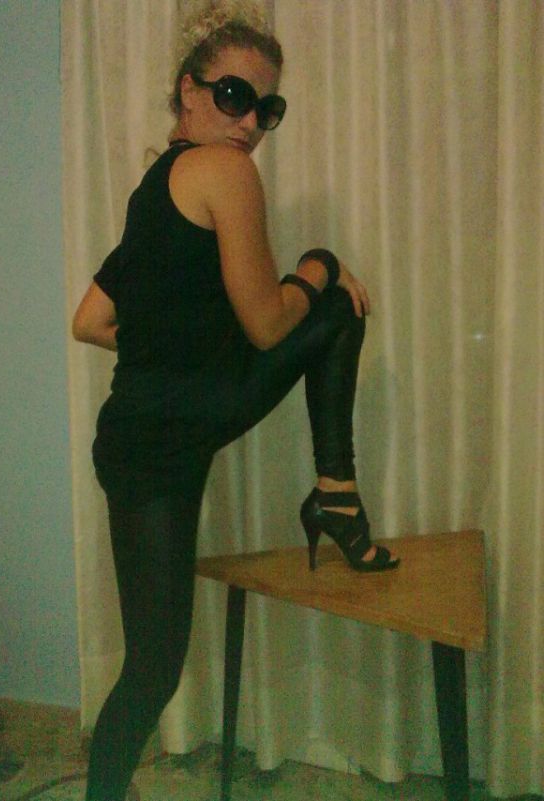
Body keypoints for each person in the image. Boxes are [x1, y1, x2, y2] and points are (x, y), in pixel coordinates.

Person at [72, 3, 399, 799]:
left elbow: (90, 320)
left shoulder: (153, 190)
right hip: (166, 443)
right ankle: (336, 495)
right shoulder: (225, 171)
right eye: (233, 96)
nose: (250, 122)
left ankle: (336, 497)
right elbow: (266, 324)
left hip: (143, 437)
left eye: (266, 107)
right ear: (189, 91)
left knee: (153, 663)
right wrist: (319, 265)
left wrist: (174, 351)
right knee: (331, 298)